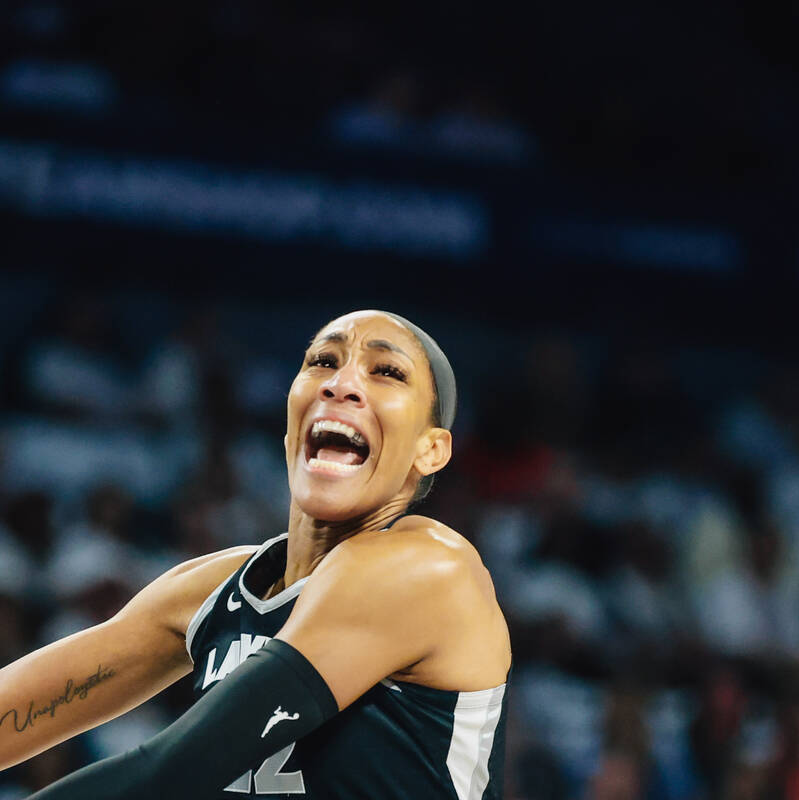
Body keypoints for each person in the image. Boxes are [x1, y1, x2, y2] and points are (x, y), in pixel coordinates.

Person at [0, 310, 512, 799]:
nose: (341, 383)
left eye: (387, 371)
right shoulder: (214, 588)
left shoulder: (431, 567)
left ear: (432, 450)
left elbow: (170, 773)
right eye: (324, 362)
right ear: (291, 423)